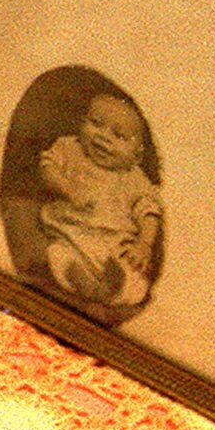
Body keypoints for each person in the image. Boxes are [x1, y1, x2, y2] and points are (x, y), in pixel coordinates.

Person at [37, 91, 166, 306]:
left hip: (114, 244)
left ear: (137, 154)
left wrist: (144, 244)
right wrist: (66, 187)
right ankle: (80, 280)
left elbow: (149, 212)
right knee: (57, 253)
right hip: (72, 231)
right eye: (96, 123)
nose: (103, 136)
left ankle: (115, 290)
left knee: (136, 281)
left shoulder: (134, 178)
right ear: (81, 123)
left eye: (119, 135)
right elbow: (47, 166)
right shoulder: (70, 148)